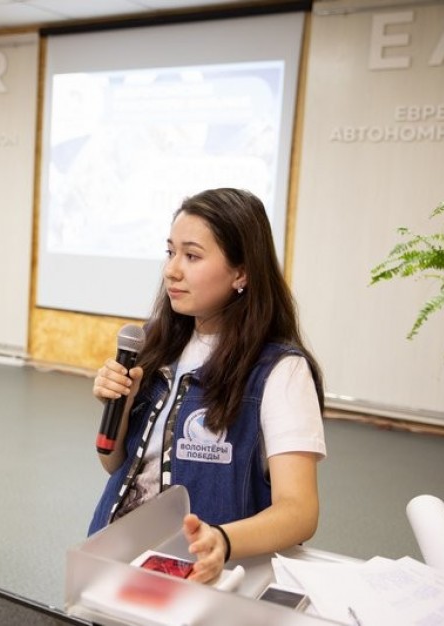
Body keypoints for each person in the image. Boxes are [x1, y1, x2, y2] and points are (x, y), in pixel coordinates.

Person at [89, 188, 326, 585]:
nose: (171, 270)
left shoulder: (279, 371)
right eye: (170, 252)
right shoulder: (154, 345)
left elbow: (299, 511)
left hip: (201, 578)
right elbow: (114, 465)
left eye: (192, 256)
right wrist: (122, 407)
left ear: (241, 272)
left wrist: (223, 541)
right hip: (116, 562)